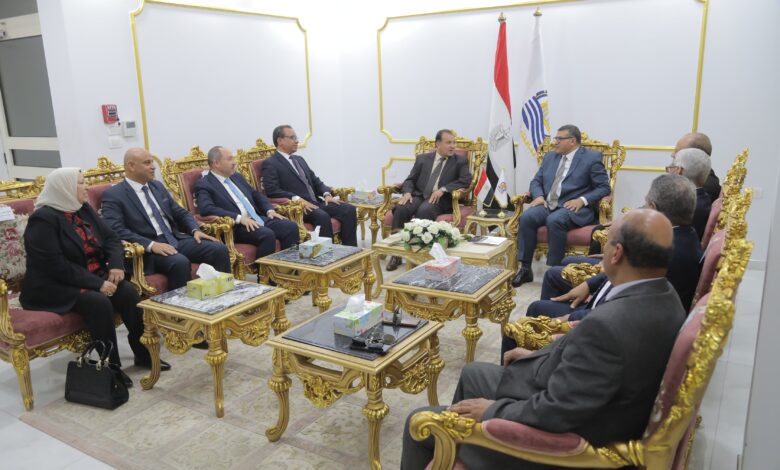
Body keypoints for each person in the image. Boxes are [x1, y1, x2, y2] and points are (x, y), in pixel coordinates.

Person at [401, 209, 686, 470]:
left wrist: (492, 410)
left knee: (419, 423)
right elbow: (593, 372)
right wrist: (537, 356)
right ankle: (457, 451)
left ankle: (465, 445)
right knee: (473, 373)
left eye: (606, 242)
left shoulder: (608, 326)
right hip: (575, 395)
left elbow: (555, 412)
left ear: (617, 253)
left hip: (558, 444)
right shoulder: (667, 297)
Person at [506, 174, 701, 361]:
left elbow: (614, 308)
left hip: (596, 319)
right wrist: (589, 284)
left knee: (520, 326)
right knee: (558, 271)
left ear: (653, 208)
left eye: (608, 244)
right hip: (602, 305)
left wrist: (566, 322)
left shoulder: (665, 249)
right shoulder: (681, 239)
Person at [20, 168, 171, 388]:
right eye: (81, 183)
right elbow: (55, 265)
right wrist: (97, 284)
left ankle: (143, 353)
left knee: (128, 292)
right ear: (65, 188)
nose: (87, 187)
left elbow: (111, 238)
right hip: (53, 285)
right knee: (98, 302)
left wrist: (117, 265)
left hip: (91, 275)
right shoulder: (43, 220)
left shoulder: (81, 208)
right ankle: (110, 367)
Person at [101, 147, 232, 290]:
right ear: (131, 166)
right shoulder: (114, 194)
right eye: (147, 163)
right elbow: (116, 229)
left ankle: (224, 295)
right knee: (179, 262)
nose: (153, 167)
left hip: (174, 238)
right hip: (147, 250)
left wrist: (195, 230)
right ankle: (181, 304)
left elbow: (180, 212)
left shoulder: (157, 186)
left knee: (218, 249)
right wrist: (151, 245)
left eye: (152, 162)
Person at [512, 124, 610, 287]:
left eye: (559, 138)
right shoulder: (550, 157)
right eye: (555, 138)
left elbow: (604, 187)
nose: (555, 142)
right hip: (548, 203)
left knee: (555, 220)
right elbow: (536, 181)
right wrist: (539, 196)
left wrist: (582, 200)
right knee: (527, 217)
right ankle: (525, 268)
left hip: (575, 208)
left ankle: (555, 271)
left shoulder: (591, 158)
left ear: (572, 141)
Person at [385, 129, 472, 271]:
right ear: (438, 144)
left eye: (454, 142)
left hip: (441, 199)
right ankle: (397, 254)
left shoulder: (460, 161)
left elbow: (465, 181)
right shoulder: (422, 159)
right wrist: (407, 192)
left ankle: (418, 255)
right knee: (401, 208)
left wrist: (443, 189)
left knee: (425, 210)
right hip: (419, 195)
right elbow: (410, 179)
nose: (453, 146)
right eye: (448, 143)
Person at [194, 146, 299, 257]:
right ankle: (264, 269)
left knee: (291, 227)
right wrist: (239, 218)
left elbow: (255, 194)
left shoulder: (236, 177)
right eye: (230, 159)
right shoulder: (204, 184)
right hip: (236, 227)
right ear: (216, 163)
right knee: (267, 234)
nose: (234, 162)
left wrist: (269, 210)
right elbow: (207, 209)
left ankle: (289, 265)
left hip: (257, 218)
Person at [262, 125, 358, 246]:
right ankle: (328, 255)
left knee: (349, 209)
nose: (297, 141)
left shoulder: (299, 159)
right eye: (292, 138)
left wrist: (326, 194)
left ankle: (350, 250)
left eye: (296, 137)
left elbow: (315, 180)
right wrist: (296, 199)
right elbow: (272, 190)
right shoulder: (271, 163)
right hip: (300, 208)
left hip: (316, 202)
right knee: (322, 216)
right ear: (280, 141)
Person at [667, 147, 713, 240]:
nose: (669, 171)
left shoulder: (682, 207)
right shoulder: (702, 198)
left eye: (672, 167)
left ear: (679, 171)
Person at [672, 132, 721, 202]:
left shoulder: (704, 188)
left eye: (677, 151)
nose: (673, 154)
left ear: (695, 155)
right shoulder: (687, 177)